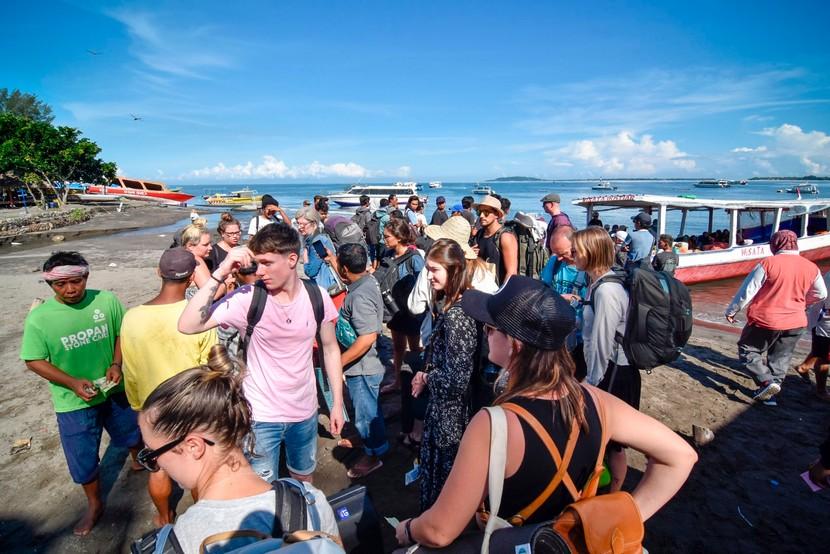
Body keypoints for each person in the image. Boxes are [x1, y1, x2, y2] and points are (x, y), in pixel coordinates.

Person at [395, 276, 697, 548]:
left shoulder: (494, 425)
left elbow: (439, 531)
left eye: (489, 329)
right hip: (572, 542)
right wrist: (625, 516)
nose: (485, 335)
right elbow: (681, 457)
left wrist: (409, 529)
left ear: (514, 344)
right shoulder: (596, 401)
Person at [178, 223, 345, 483]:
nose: (260, 271)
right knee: (261, 485)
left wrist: (337, 403)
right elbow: (188, 325)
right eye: (257, 263)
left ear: (292, 259)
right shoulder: (248, 298)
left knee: (303, 480)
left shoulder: (317, 296)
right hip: (261, 415)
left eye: (267, 263)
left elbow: (330, 348)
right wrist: (221, 271)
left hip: (304, 411)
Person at [137, 346, 340, 553]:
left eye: (152, 455)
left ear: (194, 446)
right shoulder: (311, 503)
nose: (156, 464)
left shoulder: (177, 543)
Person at [21, 251, 141, 536]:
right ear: (50, 286)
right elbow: (33, 360)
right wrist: (72, 382)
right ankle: (94, 503)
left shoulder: (107, 300)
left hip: (113, 388)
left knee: (132, 432)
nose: (70, 290)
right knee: (83, 459)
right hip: (72, 401)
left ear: (86, 277)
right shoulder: (39, 318)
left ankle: (138, 460)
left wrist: (116, 364)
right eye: (60, 285)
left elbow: (120, 334)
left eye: (76, 281)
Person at [121, 247, 217, 526]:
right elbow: (207, 367)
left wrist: (138, 407)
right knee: (199, 467)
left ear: (158, 273)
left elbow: (132, 370)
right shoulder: (197, 315)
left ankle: (164, 517)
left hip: (153, 405)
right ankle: (204, 515)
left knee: (159, 467)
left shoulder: (132, 317)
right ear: (190, 280)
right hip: (192, 404)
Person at [411, 239, 480, 511]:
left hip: (450, 417)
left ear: (454, 270)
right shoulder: (460, 304)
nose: (428, 276)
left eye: (434, 270)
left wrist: (427, 378)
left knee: (446, 486)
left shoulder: (457, 316)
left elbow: (456, 380)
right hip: (450, 412)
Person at [725, 230, 826, 403]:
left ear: (775, 244)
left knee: (748, 349)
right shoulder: (811, 266)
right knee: (781, 357)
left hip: (766, 318)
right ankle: (771, 395)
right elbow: (821, 294)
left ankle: (766, 382)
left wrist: (732, 310)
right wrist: (803, 302)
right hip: (796, 320)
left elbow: (748, 290)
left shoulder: (768, 263)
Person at [572, 226, 636, 491]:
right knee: (603, 440)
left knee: (614, 443)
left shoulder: (606, 292)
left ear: (592, 252)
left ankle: (613, 494)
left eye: (577, 250)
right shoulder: (597, 284)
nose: (573, 253)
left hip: (613, 373)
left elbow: (602, 342)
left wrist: (591, 384)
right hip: (606, 369)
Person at [335, 243, 389, 478]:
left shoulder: (358, 296)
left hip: (364, 367)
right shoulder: (367, 280)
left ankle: (373, 454)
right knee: (366, 410)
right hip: (366, 364)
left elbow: (367, 337)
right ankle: (364, 438)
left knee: (367, 413)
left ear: (344, 269)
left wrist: (339, 363)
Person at [378, 218, 425, 394]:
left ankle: (417, 381)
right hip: (394, 308)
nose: (384, 240)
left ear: (398, 237)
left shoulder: (414, 258)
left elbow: (422, 283)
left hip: (411, 311)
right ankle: (397, 381)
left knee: (414, 348)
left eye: (387, 237)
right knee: (398, 347)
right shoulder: (388, 255)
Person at [541, 226, 589, 381]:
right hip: (557, 334)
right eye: (556, 253)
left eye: (563, 253)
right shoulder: (554, 262)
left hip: (580, 339)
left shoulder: (589, 269)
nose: (559, 258)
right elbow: (543, 290)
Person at [795, 269, 830, 401]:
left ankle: (804, 367)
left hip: (821, 319)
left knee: (822, 351)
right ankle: (821, 390)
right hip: (824, 322)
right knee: (825, 357)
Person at [472, 195, 518, 286]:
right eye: (479, 212)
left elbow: (511, 273)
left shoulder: (505, 237)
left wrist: (499, 296)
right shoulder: (479, 234)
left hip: (498, 291)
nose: (481, 216)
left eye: (486, 213)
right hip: (481, 290)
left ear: (497, 215)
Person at [295, 207, 339, 294]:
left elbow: (311, 271)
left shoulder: (317, 242)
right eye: (298, 224)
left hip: (327, 287)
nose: (300, 227)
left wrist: (305, 259)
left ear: (314, 223)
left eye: (303, 224)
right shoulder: (318, 237)